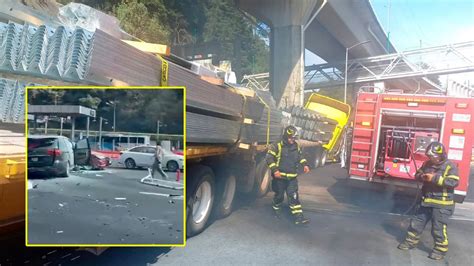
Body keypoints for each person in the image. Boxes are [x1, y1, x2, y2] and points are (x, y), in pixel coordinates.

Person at [397, 141, 459, 260]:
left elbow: (453, 182)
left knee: (438, 228)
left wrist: (434, 178)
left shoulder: (450, 166)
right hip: (426, 201)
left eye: (433, 156)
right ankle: (410, 242)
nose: (431, 159)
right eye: (429, 156)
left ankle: (439, 250)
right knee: (416, 223)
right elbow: (417, 174)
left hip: (442, 205)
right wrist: (422, 177)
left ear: (441, 155)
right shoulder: (427, 164)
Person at [266, 125, 311, 225]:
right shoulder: (277, 145)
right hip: (279, 178)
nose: (292, 140)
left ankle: (299, 218)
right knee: (279, 196)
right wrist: (275, 170)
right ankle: (275, 209)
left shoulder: (296, 146)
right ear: (286, 136)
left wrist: (305, 165)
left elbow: (300, 156)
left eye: (294, 138)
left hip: (292, 178)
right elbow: (269, 158)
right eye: (291, 138)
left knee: (293, 196)